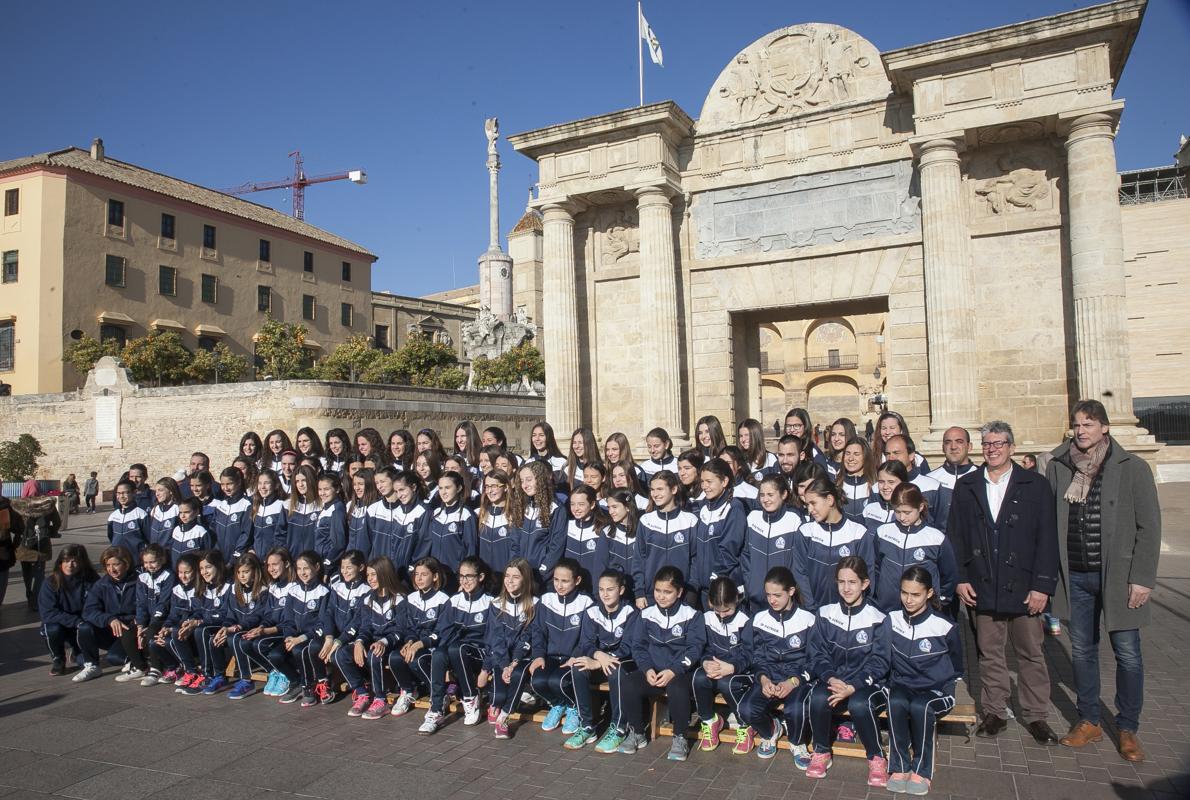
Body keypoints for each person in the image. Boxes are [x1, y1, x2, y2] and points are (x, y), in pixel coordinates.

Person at [1047, 400, 1161, 763]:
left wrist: (1142, 578)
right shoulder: (1060, 467)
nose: (1081, 431)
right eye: (1077, 425)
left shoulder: (1132, 468)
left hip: (1119, 577)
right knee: (1082, 650)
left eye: (1089, 424)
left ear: (1105, 428)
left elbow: (1149, 526)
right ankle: (1089, 719)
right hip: (1076, 575)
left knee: (1128, 653)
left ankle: (1127, 727)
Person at [949, 421, 1060, 746]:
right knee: (990, 653)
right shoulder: (967, 486)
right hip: (983, 585)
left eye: (999, 443)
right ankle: (995, 711)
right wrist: (960, 578)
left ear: (1011, 447)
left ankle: (1036, 715)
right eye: (987, 444)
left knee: (1030, 653)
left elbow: (1047, 539)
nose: (992, 449)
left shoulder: (1034, 485)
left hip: (1025, 587)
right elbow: (956, 537)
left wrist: (1042, 586)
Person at [806, 557, 890, 785]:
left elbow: (880, 662)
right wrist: (831, 677)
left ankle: (876, 757)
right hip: (835, 680)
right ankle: (821, 751)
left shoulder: (878, 618)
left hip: (865, 684)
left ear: (865, 584)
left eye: (852, 582)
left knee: (858, 704)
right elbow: (817, 653)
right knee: (818, 696)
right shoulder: (825, 613)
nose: (846, 588)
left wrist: (853, 686)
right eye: (841, 582)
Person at [610, 565, 705, 760]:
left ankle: (680, 736)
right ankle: (636, 732)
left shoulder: (692, 615)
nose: (661, 596)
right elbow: (638, 647)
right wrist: (646, 670)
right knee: (628, 683)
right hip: (653, 671)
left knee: (677, 688)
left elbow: (695, 648)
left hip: (680, 673)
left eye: (667, 592)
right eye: (658, 591)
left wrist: (674, 670)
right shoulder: (646, 614)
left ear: (679, 592)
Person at [886, 566, 964, 796]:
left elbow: (957, 663)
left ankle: (922, 769)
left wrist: (947, 682)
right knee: (896, 701)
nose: (908, 600)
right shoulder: (891, 619)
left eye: (915, 594)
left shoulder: (944, 625)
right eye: (904, 593)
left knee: (922, 706)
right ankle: (899, 765)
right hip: (903, 684)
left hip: (936, 689)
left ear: (929, 593)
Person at [738, 566, 817, 764]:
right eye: (768, 595)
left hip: (797, 679)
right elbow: (755, 657)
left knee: (795, 708)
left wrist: (793, 681)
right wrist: (763, 679)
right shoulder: (759, 620)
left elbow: (815, 660)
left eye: (777, 595)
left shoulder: (808, 620)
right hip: (769, 677)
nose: (772, 600)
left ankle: (797, 743)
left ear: (791, 591)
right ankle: (770, 730)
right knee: (746, 709)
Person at [421, 555, 493, 733]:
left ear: (480, 577)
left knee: (457, 648)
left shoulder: (491, 602)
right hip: (456, 652)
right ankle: (436, 709)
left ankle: (470, 697)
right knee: (439, 653)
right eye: (461, 576)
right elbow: (443, 632)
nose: (465, 581)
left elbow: (493, 639)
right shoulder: (454, 601)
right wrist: (444, 662)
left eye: (469, 576)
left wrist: (486, 668)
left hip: (479, 653)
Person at [528, 558, 594, 739]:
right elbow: (538, 631)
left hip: (571, 659)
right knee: (537, 681)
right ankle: (558, 705)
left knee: (558, 682)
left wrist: (576, 656)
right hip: (550, 656)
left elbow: (586, 638)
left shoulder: (586, 603)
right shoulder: (546, 600)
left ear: (577, 581)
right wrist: (538, 655)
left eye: (565, 581)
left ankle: (573, 708)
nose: (560, 585)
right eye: (556, 580)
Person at [337, 555, 407, 719]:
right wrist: (360, 641)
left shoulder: (400, 598)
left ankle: (380, 700)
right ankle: (362, 694)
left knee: (374, 654)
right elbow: (366, 626)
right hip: (372, 642)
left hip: (391, 644)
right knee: (341, 653)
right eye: (368, 575)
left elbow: (401, 630)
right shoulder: (367, 598)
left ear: (385, 573)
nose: (370, 579)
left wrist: (383, 642)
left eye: (374, 575)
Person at [872, 483, 956, 613]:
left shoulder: (936, 538)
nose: (902, 517)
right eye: (897, 511)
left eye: (907, 512)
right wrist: (878, 595)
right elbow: (875, 567)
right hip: (887, 608)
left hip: (924, 610)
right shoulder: (883, 532)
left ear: (920, 507)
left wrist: (941, 601)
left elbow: (949, 575)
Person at [577, 569, 637, 752]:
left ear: (620, 590)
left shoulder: (631, 612)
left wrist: (602, 660)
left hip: (624, 662)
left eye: (610, 589)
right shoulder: (592, 611)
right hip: (600, 659)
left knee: (615, 671)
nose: (605, 594)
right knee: (578, 667)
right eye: (601, 589)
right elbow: (585, 643)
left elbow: (628, 647)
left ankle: (619, 727)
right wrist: (598, 656)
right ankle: (586, 725)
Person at [691, 578, 752, 754]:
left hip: (739, 670)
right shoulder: (706, 618)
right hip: (716, 667)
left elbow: (750, 655)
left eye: (727, 610)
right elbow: (702, 647)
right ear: (710, 603)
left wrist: (732, 667)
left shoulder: (745, 620)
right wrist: (706, 662)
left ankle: (745, 724)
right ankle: (709, 721)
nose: (722, 615)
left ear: (737, 601)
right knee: (698, 677)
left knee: (727, 683)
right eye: (718, 611)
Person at [77, 545, 148, 683]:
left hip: (130, 629)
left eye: (116, 564)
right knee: (84, 627)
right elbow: (89, 611)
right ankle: (92, 665)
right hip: (110, 628)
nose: (112, 569)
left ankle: (137, 661)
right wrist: (109, 619)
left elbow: (145, 606)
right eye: (108, 565)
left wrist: (136, 621)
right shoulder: (101, 584)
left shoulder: (139, 580)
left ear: (126, 564)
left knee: (114, 659)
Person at [485, 558, 537, 739]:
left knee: (518, 674)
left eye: (516, 577)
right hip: (501, 659)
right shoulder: (496, 604)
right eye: (507, 576)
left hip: (523, 658)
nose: (510, 580)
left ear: (525, 579)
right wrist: (505, 664)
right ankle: (507, 699)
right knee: (498, 696)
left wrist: (514, 662)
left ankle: (504, 718)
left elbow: (527, 637)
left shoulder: (534, 604)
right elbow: (496, 640)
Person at [277, 551, 331, 706]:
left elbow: (322, 623)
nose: (302, 572)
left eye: (306, 568)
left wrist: (301, 638)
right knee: (275, 655)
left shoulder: (324, 591)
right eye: (299, 568)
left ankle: (308, 688)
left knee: (299, 650)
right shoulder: (293, 590)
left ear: (317, 567)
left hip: (313, 636)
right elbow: (287, 620)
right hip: (294, 636)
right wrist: (288, 637)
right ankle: (296, 683)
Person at [39, 544, 98, 676]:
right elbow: (48, 613)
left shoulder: (91, 580)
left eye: (74, 561)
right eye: (66, 561)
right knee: (52, 629)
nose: (70, 565)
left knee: (84, 662)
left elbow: (96, 604)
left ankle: (78, 652)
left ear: (82, 562)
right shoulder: (51, 582)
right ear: (60, 563)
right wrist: (75, 621)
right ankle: (58, 658)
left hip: (82, 622)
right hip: (60, 622)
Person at [12, 493, 61, 610]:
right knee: (39, 573)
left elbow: (13, 526)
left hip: (23, 545)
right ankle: (35, 599)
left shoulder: (18, 505)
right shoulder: (48, 504)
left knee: (26, 572)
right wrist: (50, 531)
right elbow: (57, 522)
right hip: (41, 543)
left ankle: (29, 594)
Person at [926, 426, 977, 534]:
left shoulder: (983, 476)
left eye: (959, 441)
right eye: (948, 442)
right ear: (943, 447)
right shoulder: (929, 480)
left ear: (969, 446)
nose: (953, 447)